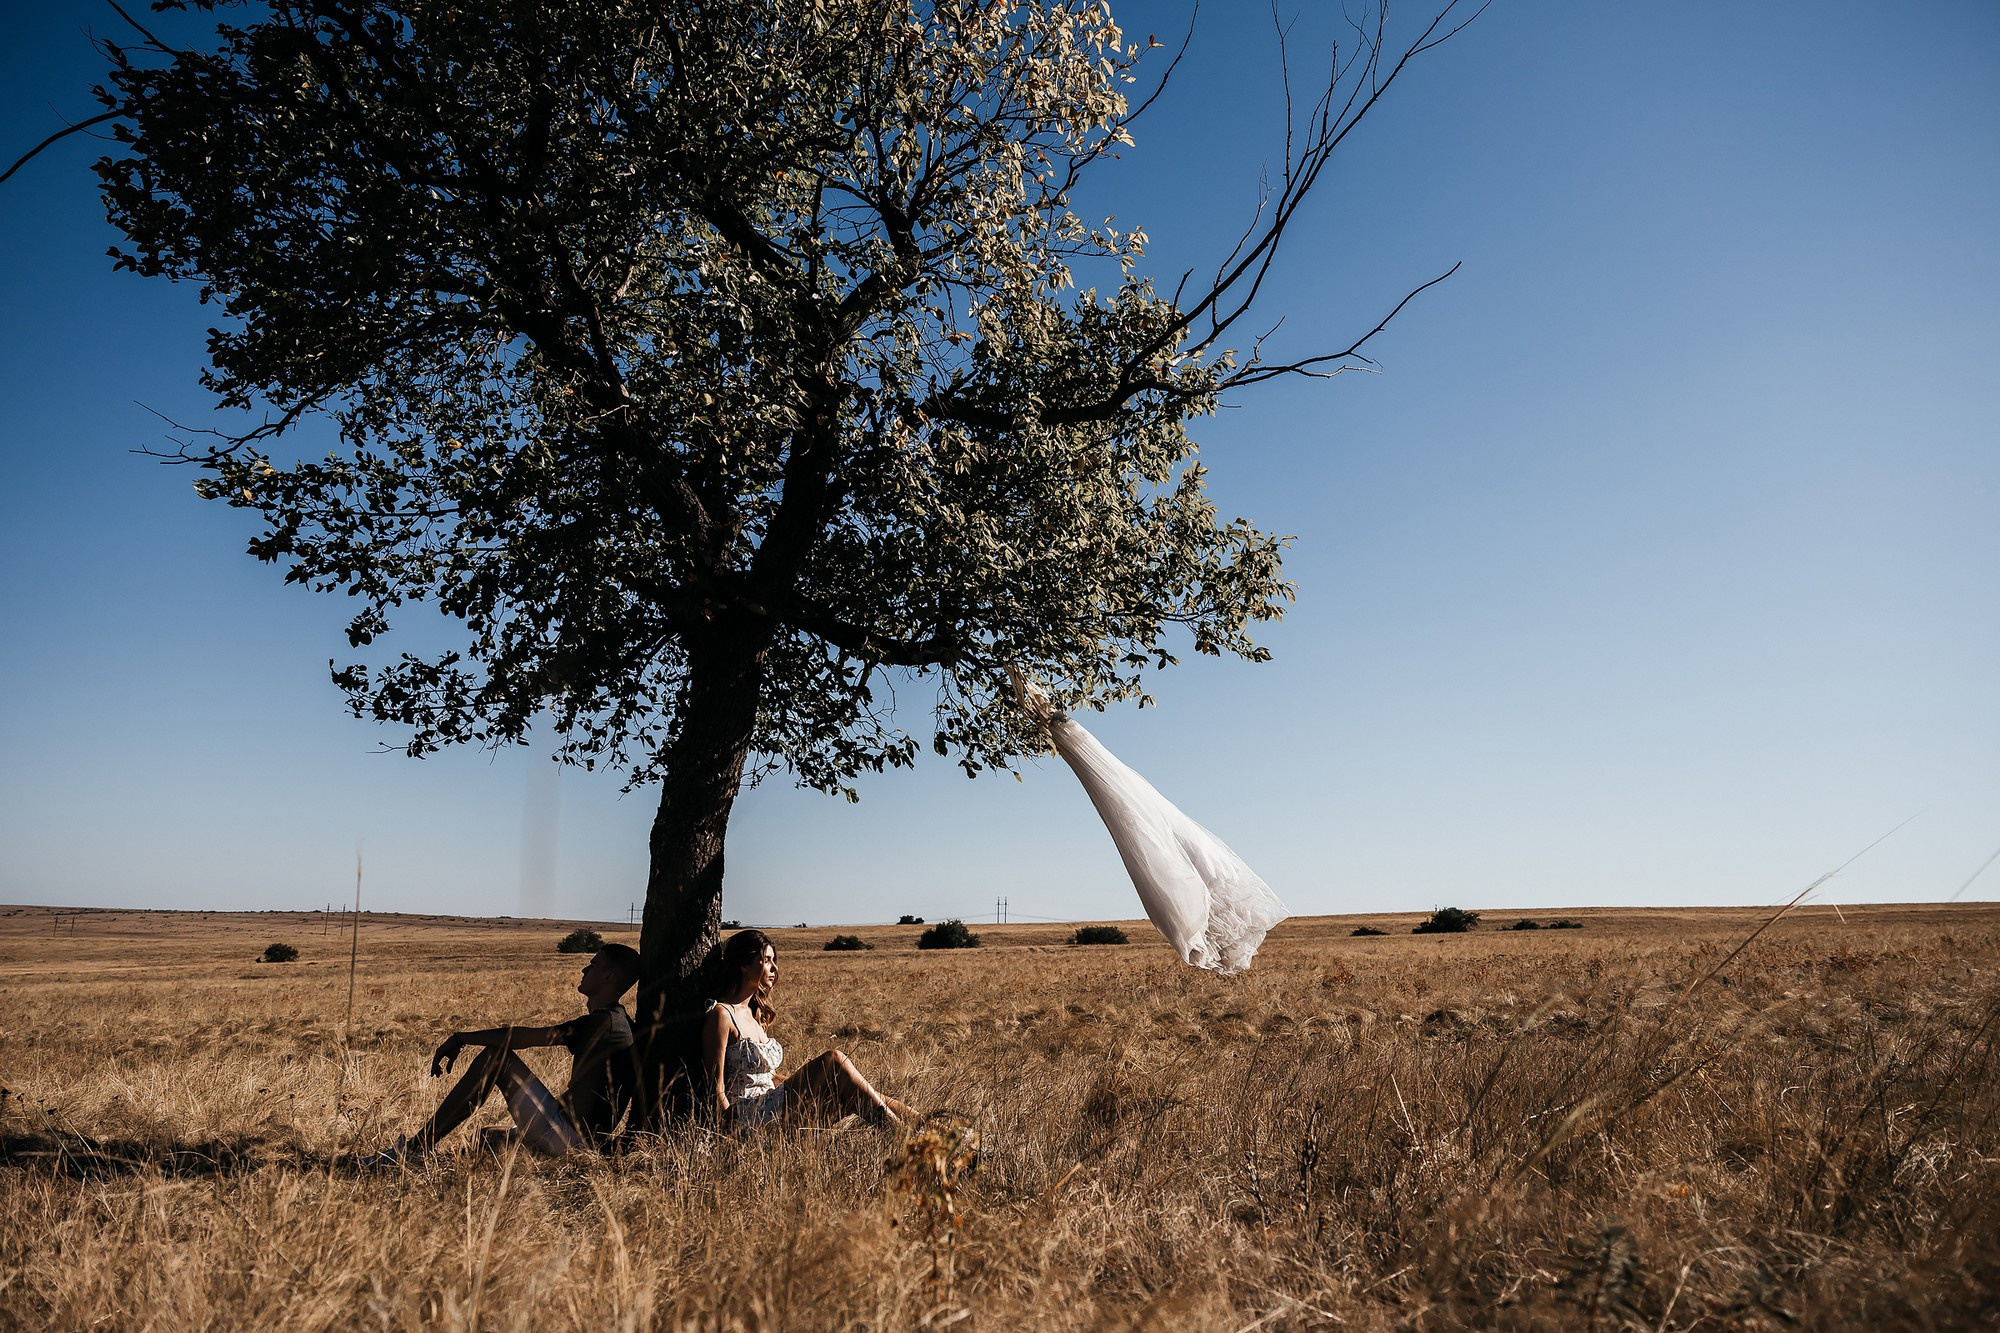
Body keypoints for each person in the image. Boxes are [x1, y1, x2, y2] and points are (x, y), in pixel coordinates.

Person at [362, 942, 642, 1165]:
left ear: (609, 976)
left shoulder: (602, 1024)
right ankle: (506, 1151)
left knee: (496, 1058)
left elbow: (523, 1037)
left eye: (592, 965)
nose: (584, 969)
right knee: (487, 1138)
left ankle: (415, 1149)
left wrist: (462, 1038)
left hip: (570, 1137)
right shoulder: (617, 1022)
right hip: (574, 1131)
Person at [701, 928, 914, 1129]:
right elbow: (715, 1090)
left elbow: (770, 1077)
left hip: (772, 1108)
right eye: (766, 961)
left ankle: (926, 1130)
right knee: (833, 1060)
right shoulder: (721, 1015)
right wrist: (730, 1134)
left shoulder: (755, 1015)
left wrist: (809, 1080)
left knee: (859, 1088)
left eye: (774, 961)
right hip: (747, 1119)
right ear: (743, 965)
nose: (774, 968)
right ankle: (901, 1137)